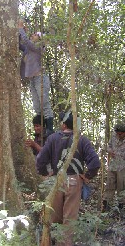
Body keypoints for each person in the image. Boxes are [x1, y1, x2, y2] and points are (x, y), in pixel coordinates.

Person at [36, 112, 101, 246]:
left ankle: (53, 241)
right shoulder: (82, 140)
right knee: (69, 219)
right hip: (74, 181)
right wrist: (87, 176)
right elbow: (95, 163)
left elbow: (40, 160)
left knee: (55, 217)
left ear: (64, 124)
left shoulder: (53, 138)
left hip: (57, 180)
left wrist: (45, 173)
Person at [19, 19, 54, 135]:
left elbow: (27, 42)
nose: (32, 36)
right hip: (32, 79)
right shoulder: (29, 50)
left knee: (44, 104)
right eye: (32, 34)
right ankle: (41, 131)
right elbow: (20, 45)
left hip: (40, 78)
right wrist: (20, 32)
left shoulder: (38, 48)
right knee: (37, 106)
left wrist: (20, 28)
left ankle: (49, 130)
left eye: (35, 35)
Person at [103, 120, 125, 212]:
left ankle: (121, 205)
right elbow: (109, 146)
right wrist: (109, 151)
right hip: (112, 165)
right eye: (117, 134)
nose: (118, 135)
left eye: (120, 134)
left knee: (121, 186)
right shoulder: (113, 136)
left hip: (122, 166)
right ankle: (107, 204)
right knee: (109, 184)